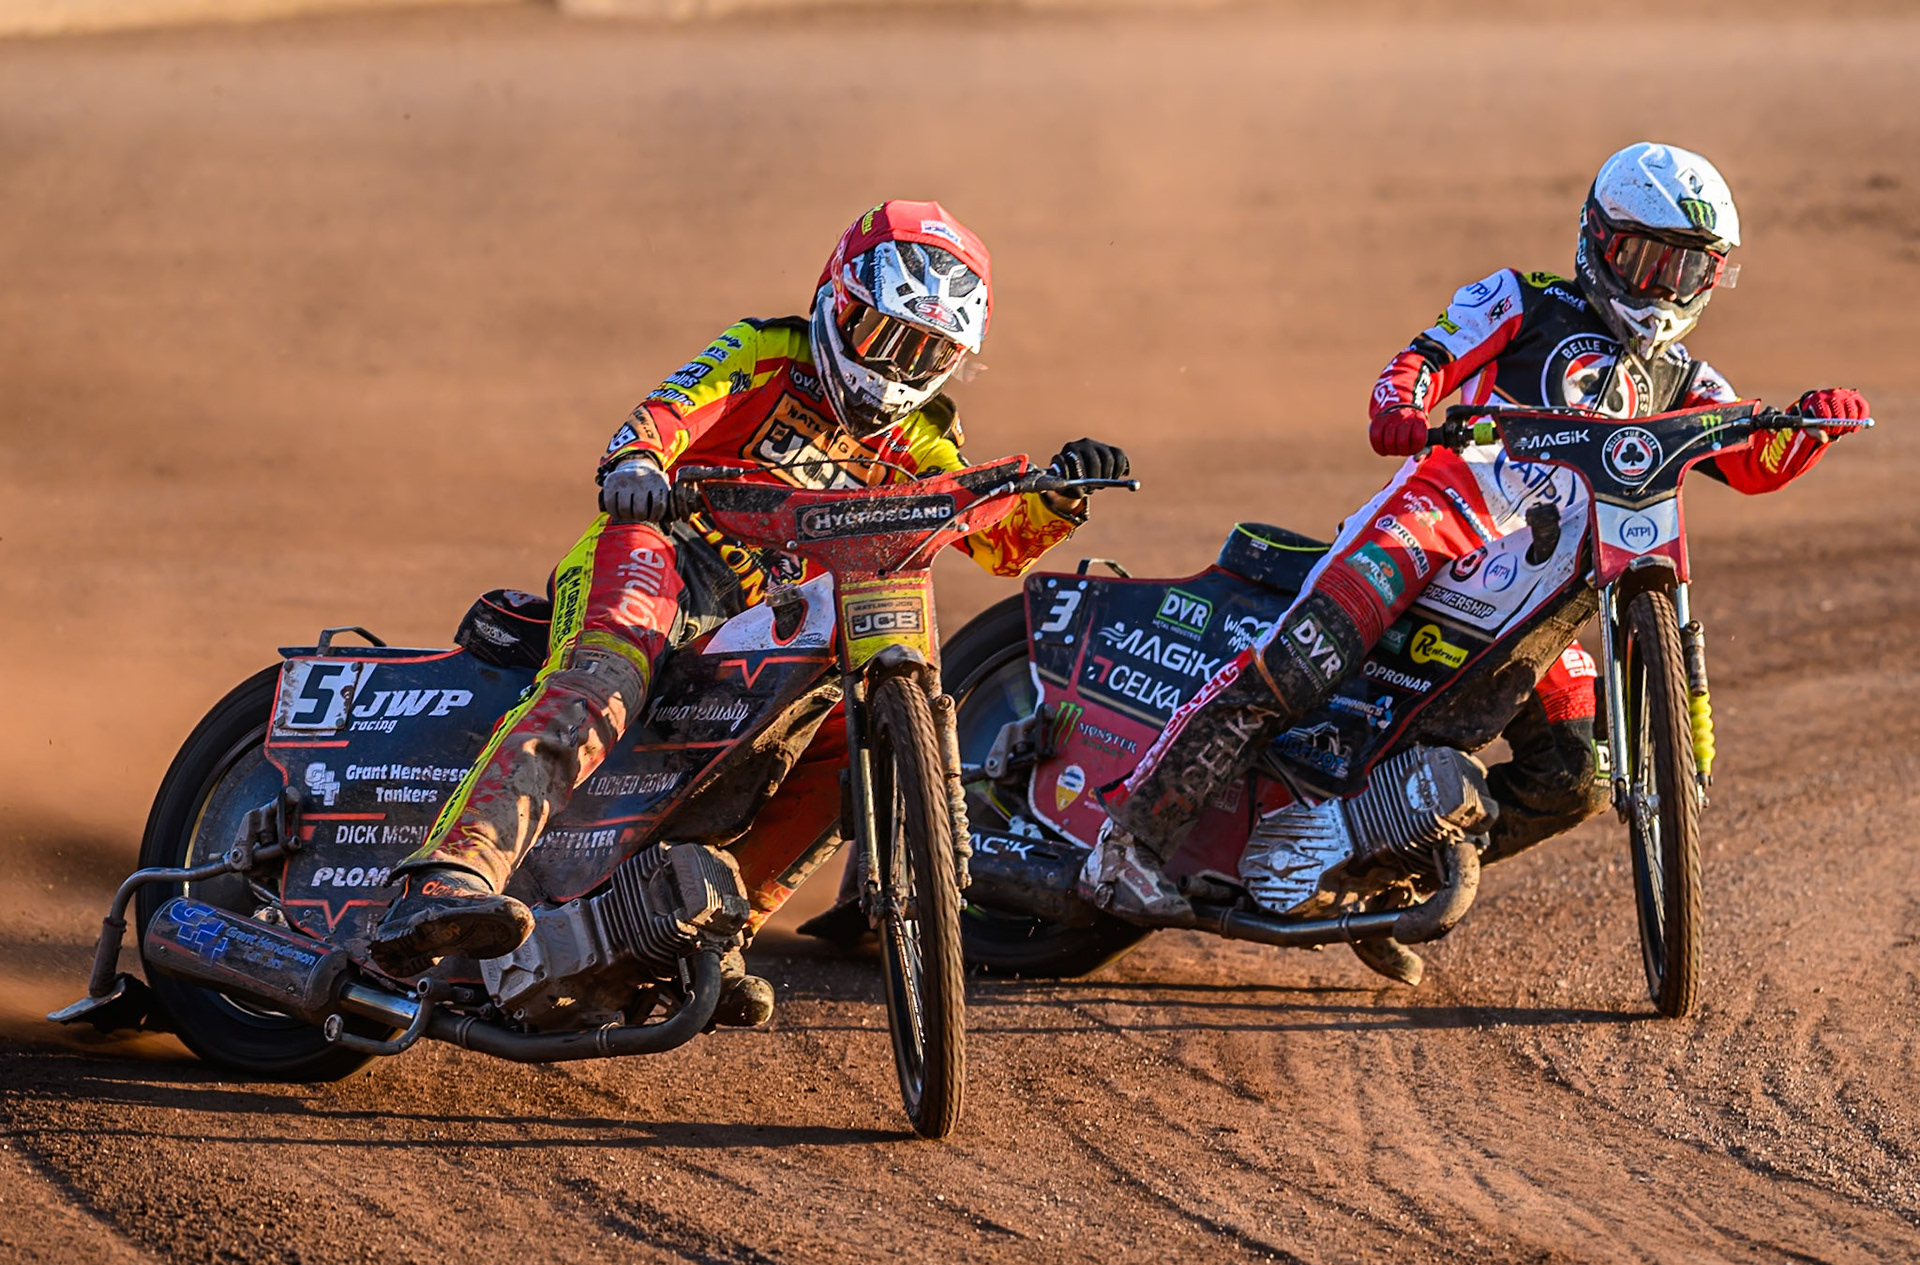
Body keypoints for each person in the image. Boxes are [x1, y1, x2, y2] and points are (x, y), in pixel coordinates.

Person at [370, 200, 1130, 1024]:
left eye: (925, 351)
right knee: (607, 677)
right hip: (663, 554)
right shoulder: (767, 351)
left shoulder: (924, 434)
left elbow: (991, 540)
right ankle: (451, 876)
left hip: (767, 620)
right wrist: (638, 462)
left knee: (845, 742)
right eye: (884, 336)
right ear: (837, 302)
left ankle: (716, 932)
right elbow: (668, 413)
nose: (897, 368)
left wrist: (1058, 498)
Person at [1081, 141, 1870, 929]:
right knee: (1294, 667)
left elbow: (1750, 460)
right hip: (1432, 526)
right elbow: (1425, 357)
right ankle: (1127, 845)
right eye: (1648, 261)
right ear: (1600, 241)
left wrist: (1813, 427)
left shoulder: (1685, 380)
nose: (1665, 288)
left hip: (1539, 600)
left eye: (1689, 270)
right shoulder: (1523, 299)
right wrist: (1401, 407)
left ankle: (1379, 868)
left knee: (1577, 777)